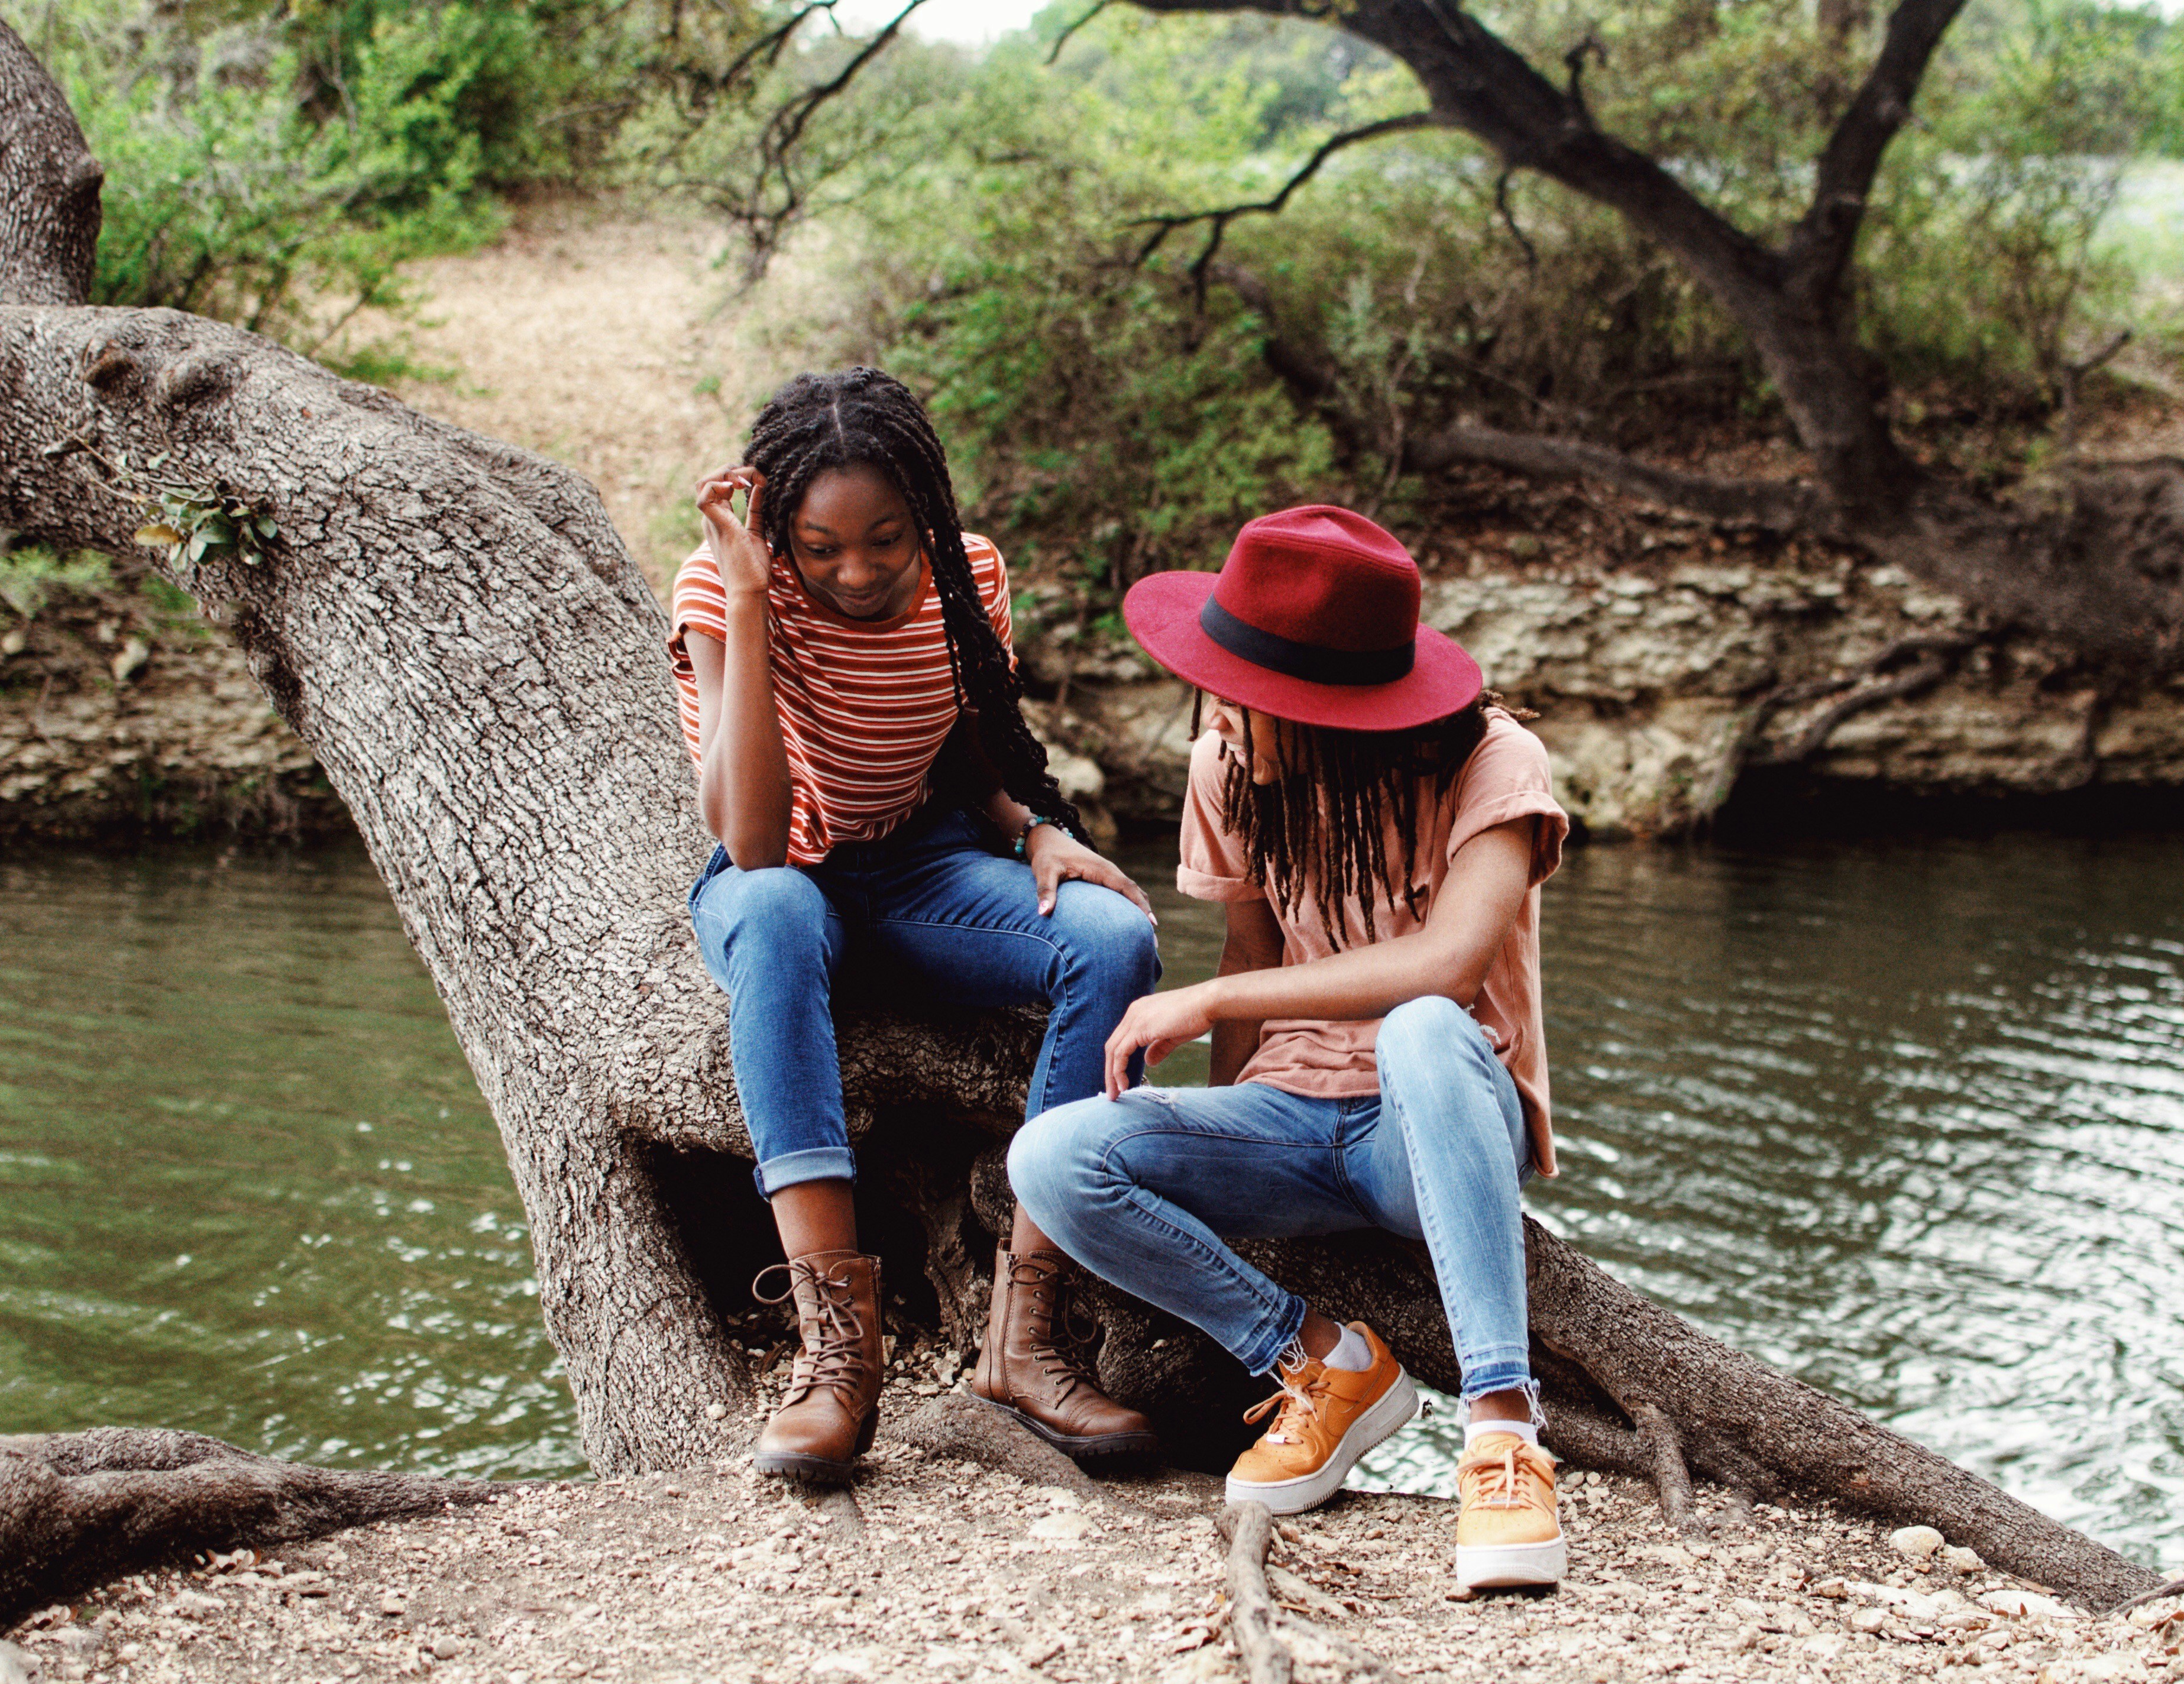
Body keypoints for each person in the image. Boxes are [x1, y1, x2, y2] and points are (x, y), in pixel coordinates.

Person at [1007, 504, 1571, 1590]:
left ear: (1332, 711)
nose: (1219, 711)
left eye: (1247, 698)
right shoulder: (1229, 766)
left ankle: (1504, 1435)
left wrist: (1211, 998)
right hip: (1294, 1130)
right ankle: (1322, 1360)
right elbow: (1253, 949)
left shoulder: (1496, 763)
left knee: (1419, 1027)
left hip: (1435, 1125)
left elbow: (1448, 968)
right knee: (1054, 1157)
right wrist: (1215, 1138)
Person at [671, 367, 1160, 1483]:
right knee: (782, 907)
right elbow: (752, 841)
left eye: (886, 539)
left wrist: (1030, 826)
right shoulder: (723, 592)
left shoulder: (967, 574)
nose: (858, 572)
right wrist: (750, 598)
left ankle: (1024, 1338)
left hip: (926, 865)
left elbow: (965, 735)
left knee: (1112, 940)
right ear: (777, 530)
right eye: (821, 546)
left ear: (925, 518)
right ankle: (836, 1350)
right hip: (783, 881)